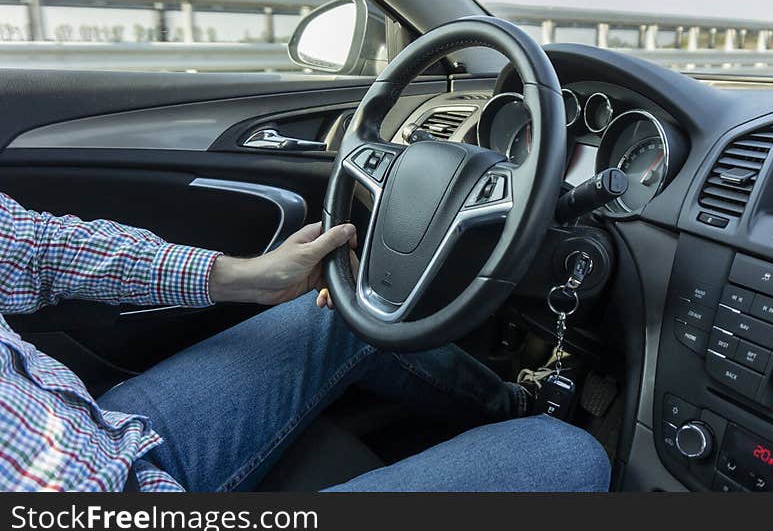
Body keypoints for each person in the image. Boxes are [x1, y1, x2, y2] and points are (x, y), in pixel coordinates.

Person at [0, 192, 610, 492]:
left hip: (91, 432)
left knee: (342, 312)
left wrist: (247, 278)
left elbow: (34, 246)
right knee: (569, 457)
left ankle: (515, 403)